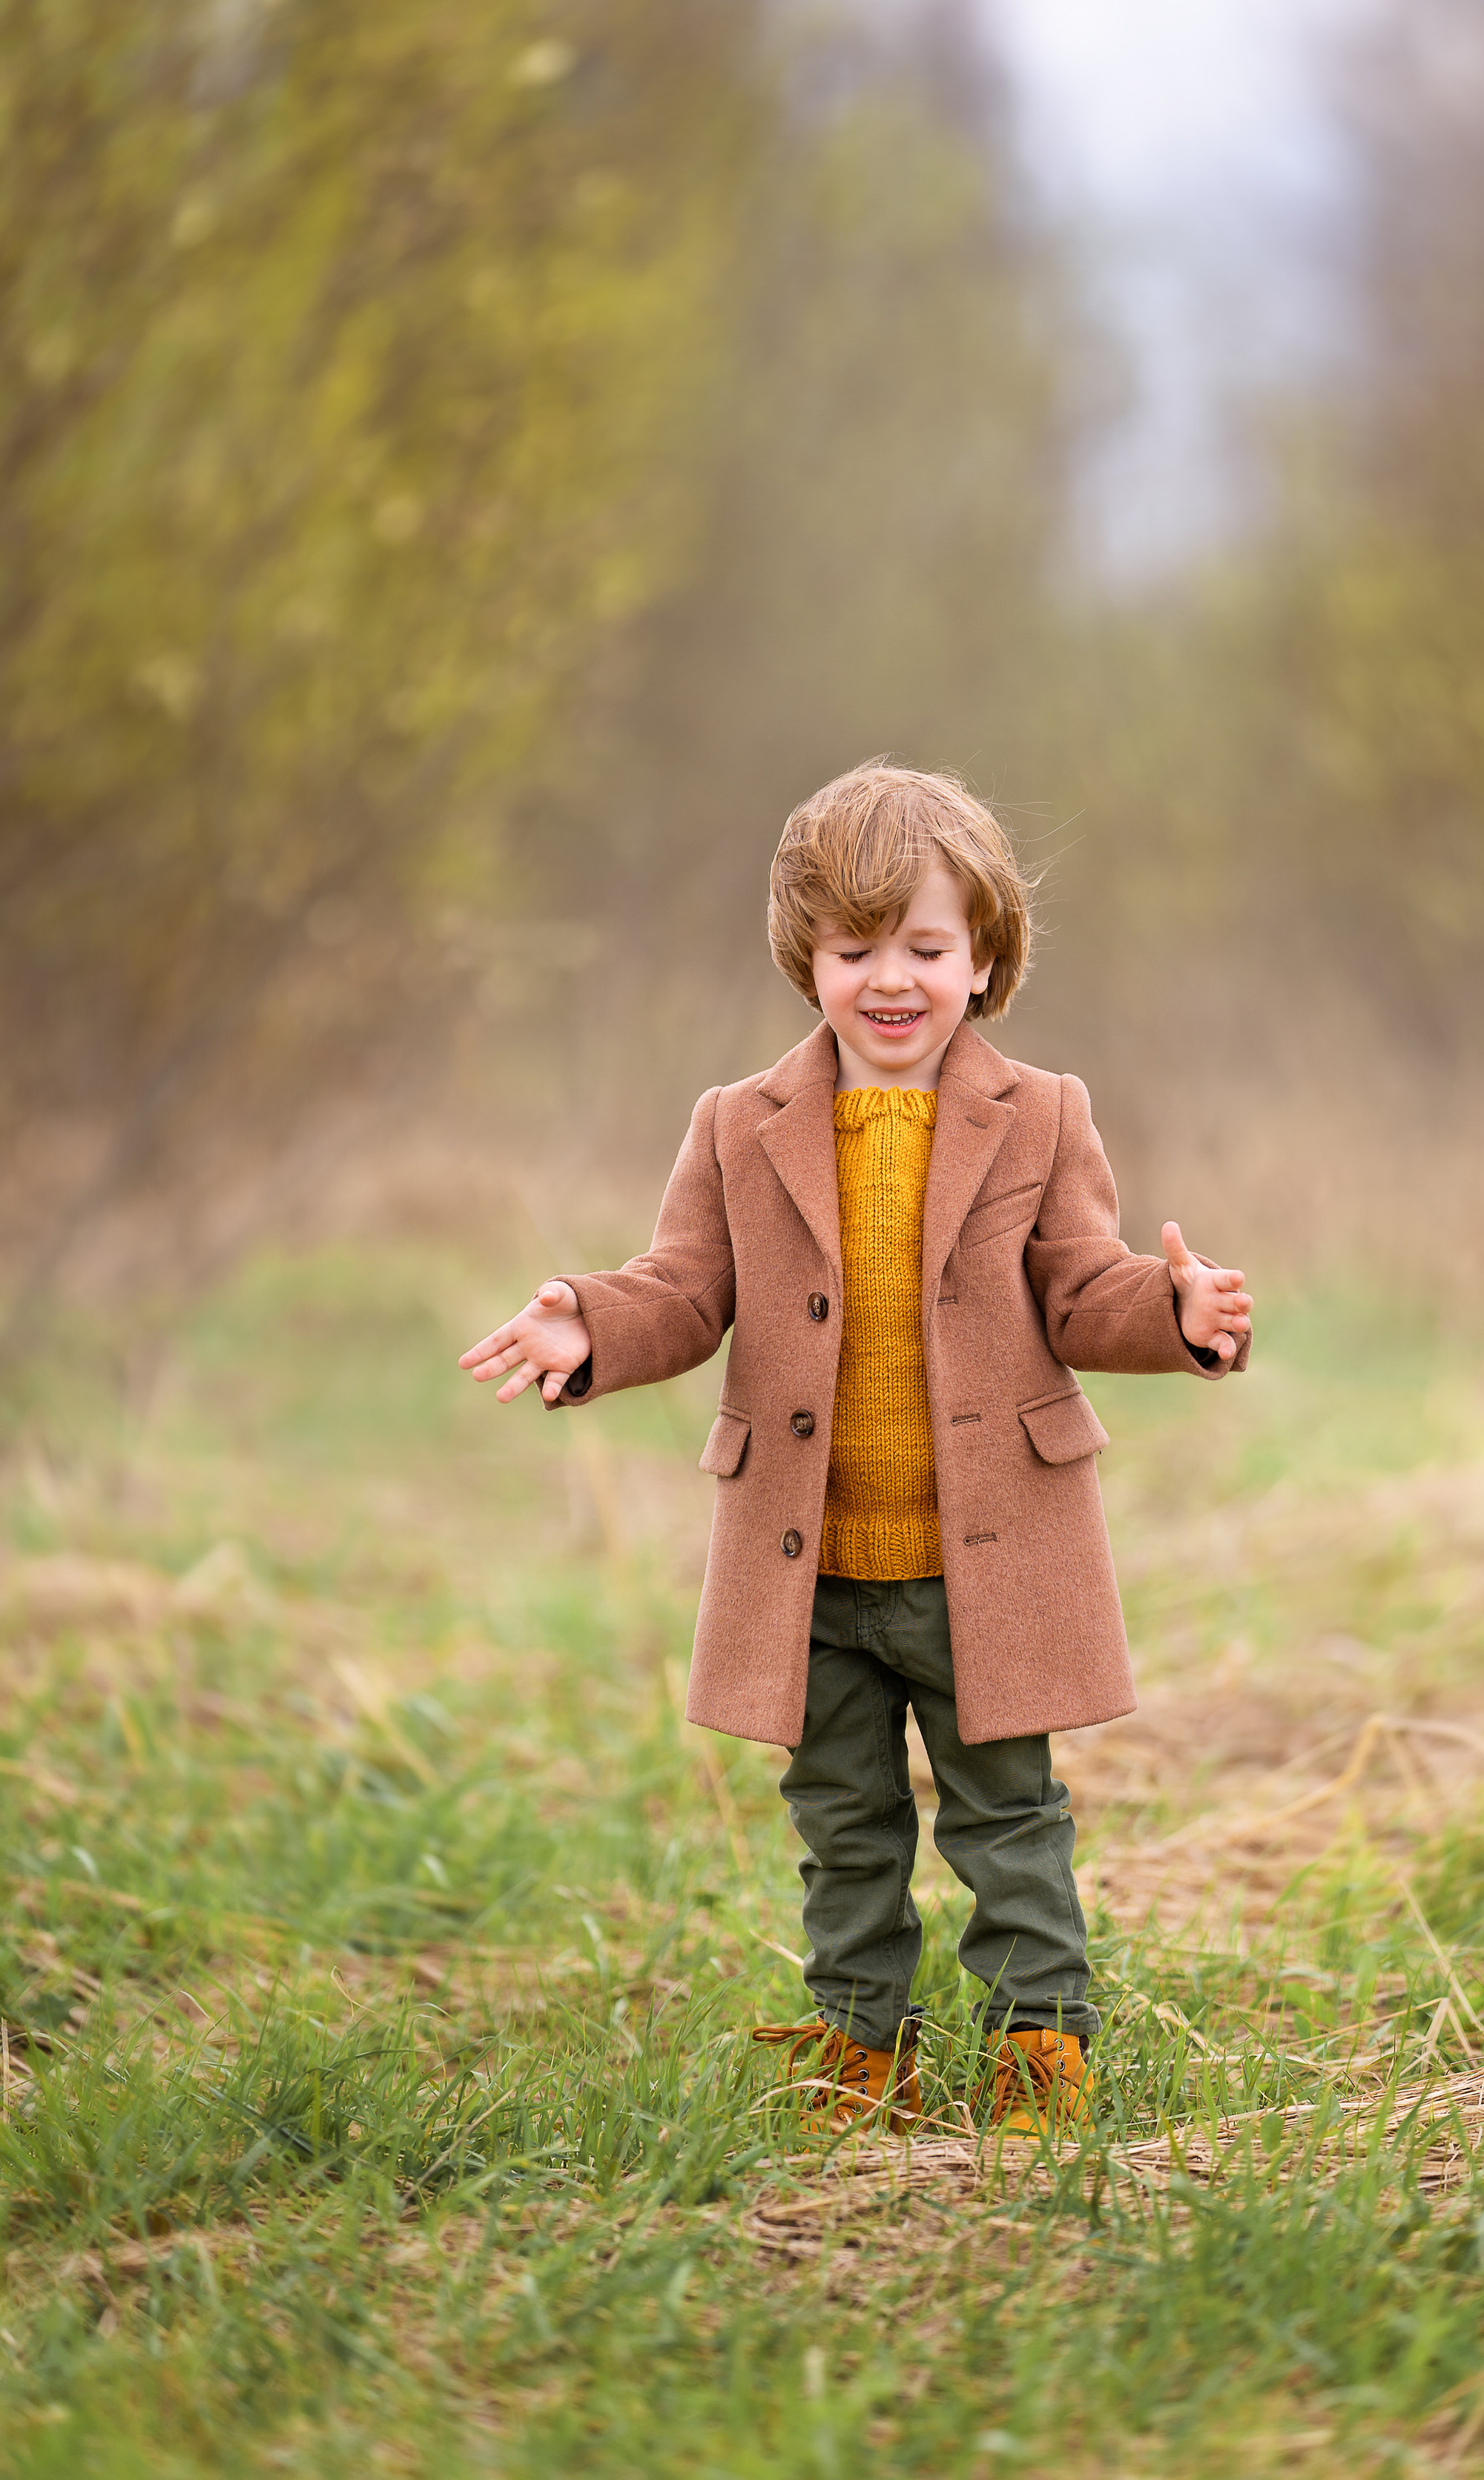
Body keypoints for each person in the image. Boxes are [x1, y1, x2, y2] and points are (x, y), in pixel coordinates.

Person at [459, 762, 1251, 2136]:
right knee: (845, 1823)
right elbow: (685, 1291)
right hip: (810, 1562)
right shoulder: (738, 1123)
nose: (893, 979)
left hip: (983, 1558)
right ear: (805, 958)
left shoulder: (1043, 1111)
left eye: (927, 948)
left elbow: (1083, 1288)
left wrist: (1175, 1310)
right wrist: (588, 1322)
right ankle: (859, 2041)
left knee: (1008, 1819)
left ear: (985, 957)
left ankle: (1037, 2048)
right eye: (856, 948)